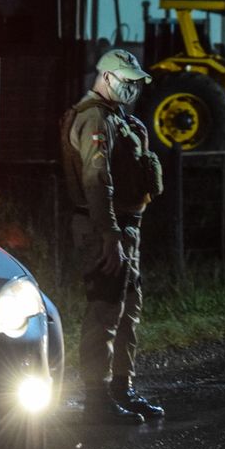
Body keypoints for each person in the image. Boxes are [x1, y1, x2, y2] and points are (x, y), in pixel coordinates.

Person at [60, 49, 166, 424]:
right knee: (105, 308)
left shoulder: (116, 117)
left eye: (136, 82)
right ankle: (97, 399)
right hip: (104, 227)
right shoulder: (94, 118)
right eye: (127, 81)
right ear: (106, 78)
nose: (133, 88)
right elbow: (96, 180)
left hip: (123, 226)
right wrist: (109, 235)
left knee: (127, 308)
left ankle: (121, 389)